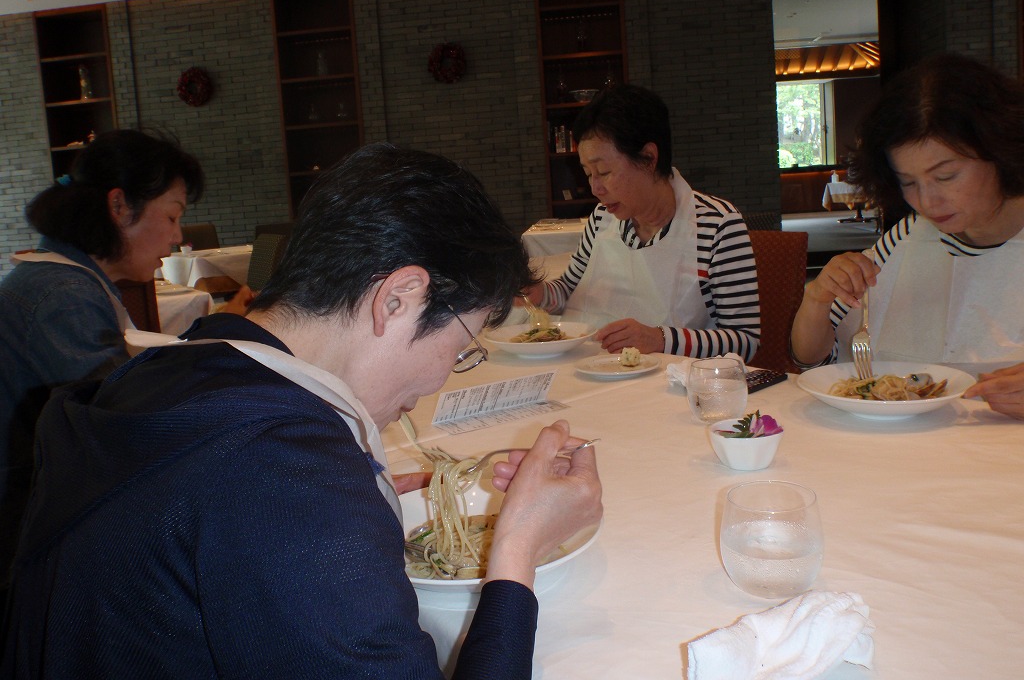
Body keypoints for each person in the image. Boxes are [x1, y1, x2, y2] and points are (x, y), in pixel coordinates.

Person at [2, 143, 604, 678]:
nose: (442, 376)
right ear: (398, 298)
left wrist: (347, 497)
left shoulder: (172, 370)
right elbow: (268, 497)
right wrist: (518, 549)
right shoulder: (286, 476)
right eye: (461, 344)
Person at [0, 129, 249, 597]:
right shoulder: (63, 296)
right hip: (23, 539)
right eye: (172, 216)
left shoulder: (63, 279)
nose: (177, 237)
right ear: (119, 206)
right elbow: (123, 428)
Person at [790, 53, 1024, 420]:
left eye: (946, 176)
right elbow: (811, 359)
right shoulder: (909, 236)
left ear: (1002, 152)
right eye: (908, 182)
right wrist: (817, 297)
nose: (927, 202)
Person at [523, 84, 760, 359]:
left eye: (604, 172)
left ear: (648, 158)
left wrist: (660, 339)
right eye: (588, 174)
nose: (595, 189)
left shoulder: (718, 225)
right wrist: (539, 294)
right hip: (599, 371)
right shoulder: (601, 219)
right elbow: (569, 291)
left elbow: (746, 341)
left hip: (677, 380)